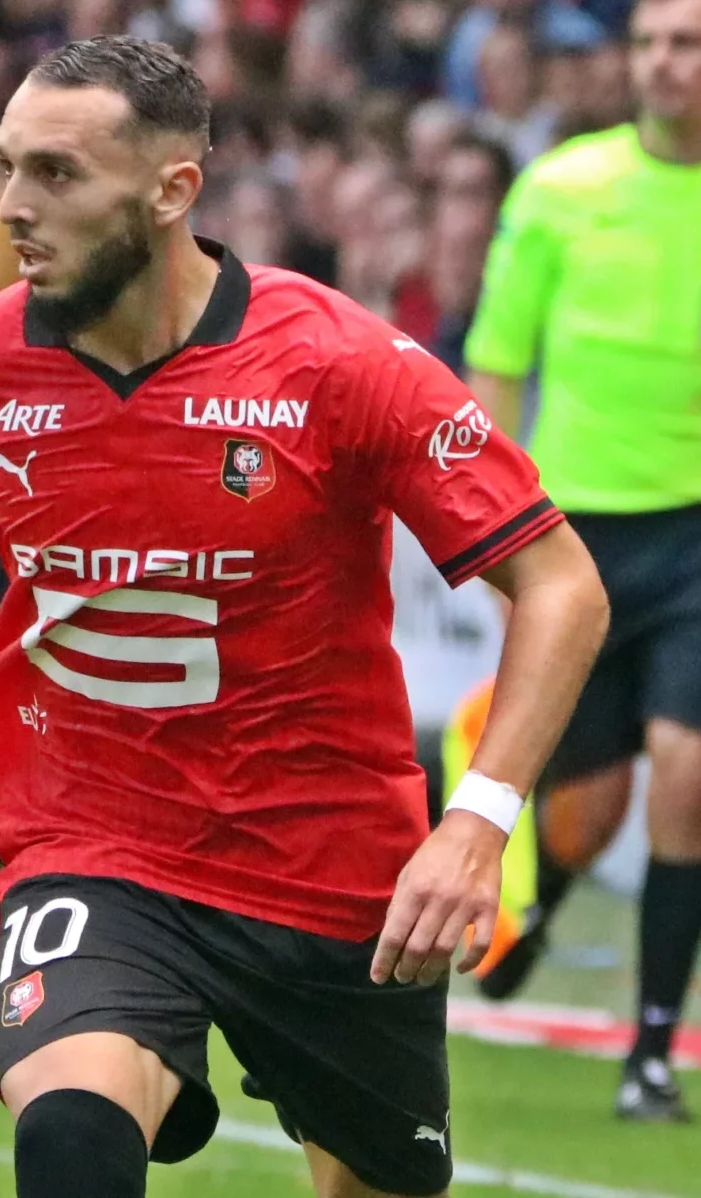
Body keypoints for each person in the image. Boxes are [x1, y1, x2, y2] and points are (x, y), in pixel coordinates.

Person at [0, 35, 610, 1198]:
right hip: (87, 842)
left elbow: (562, 585)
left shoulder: (337, 364)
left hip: (331, 867)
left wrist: (478, 822)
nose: (13, 209)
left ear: (171, 189)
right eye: (7, 167)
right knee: (70, 1135)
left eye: (56, 175)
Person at [461, 0, 701, 1122]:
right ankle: (536, 909)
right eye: (653, 40)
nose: (667, 60)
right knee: (584, 814)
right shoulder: (560, 189)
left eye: (688, 42)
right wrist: (495, 527)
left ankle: (650, 1054)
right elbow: (498, 359)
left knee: (686, 780)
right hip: (577, 538)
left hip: (698, 531)